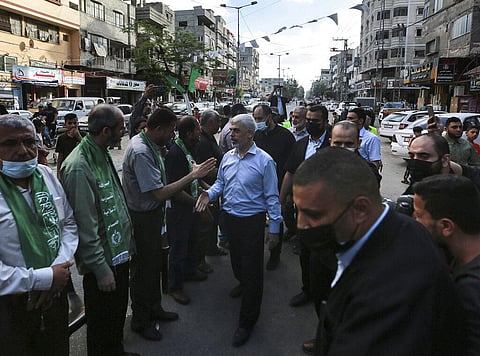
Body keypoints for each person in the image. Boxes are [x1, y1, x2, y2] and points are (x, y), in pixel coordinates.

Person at [293, 147, 458, 355]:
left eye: (313, 214)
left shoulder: (391, 294)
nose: (302, 224)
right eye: (298, 210)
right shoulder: (398, 228)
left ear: (361, 209)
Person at [122, 108, 216, 340]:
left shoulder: (151, 145)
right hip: (143, 217)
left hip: (154, 216)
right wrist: (192, 176)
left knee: (154, 265)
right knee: (144, 270)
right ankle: (141, 319)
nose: (173, 136)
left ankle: (155, 308)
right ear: (158, 129)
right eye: (171, 131)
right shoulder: (141, 150)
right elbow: (160, 193)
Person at [195, 114, 282, 347]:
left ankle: (247, 321)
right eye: (230, 130)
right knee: (237, 262)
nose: (230, 134)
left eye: (235, 131)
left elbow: (272, 197)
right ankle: (242, 283)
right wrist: (208, 194)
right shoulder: (228, 158)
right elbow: (221, 184)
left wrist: (274, 228)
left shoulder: (264, 161)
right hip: (230, 219)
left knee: (253, 272)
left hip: (252, 222)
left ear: (250, 134)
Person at [60, 104, 139, 356]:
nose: (124, 131)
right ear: (106, 131)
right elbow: (85, 226)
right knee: (101, 324)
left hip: (119, 253)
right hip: (103, 263)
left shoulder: (100, 151)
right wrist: (101, 269)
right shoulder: (79, 166)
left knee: (115, 315)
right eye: (120, 128)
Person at [0, 114, 78, 355]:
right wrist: (43, 278)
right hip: (11, 304)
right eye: (10, 144)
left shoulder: (45, 175)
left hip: (56, 292)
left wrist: (56, 272)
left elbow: (68, 225)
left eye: (29, 142)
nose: (23, 151)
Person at [413, 175, 480, 355]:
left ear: (446, 226)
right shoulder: (457, 260)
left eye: (419, 215)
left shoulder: (470, 290)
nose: (413, 221)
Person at [280, 104, 331, 309]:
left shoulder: (333, 143)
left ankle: (326, 295)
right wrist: (282, 197)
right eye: (307, 120)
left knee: (325, 256)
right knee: (305, 252)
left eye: (315, 121)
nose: (310, 124)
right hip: (303, 209)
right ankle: (307, 290)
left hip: (328, 212)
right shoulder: (301, 145)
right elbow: (290, 173)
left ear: (325, 122)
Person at [166, 116, 213, 305]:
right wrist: (197, 203)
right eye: (197, 130)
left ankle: (190, 271)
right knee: (178, 248)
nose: (200, 132)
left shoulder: (189, 149)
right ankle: (175, 287)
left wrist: (207, 191)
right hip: (179, 211)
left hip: (191, 207)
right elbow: (176, 191)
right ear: (188, 133)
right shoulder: (175, 153)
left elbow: (194, 177)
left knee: (192, 241)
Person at [253, 103, 295, 270]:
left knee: (276, 221)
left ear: (269, 117)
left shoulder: (286, 136)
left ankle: (275, 255)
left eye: (260, 118)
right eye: (255, 119)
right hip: (257, 188)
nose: (257, 122)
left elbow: (291, 168)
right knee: (256, 223)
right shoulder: (256, 135)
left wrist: (288, 193)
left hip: (278, 188)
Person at [193, 109, 226, 267]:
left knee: (213, 221)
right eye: (218, 122)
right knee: (206, 224)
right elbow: (199, 167)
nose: (220, 125)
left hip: (214, 185)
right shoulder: (201, 141)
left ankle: (211, 248)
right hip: (205, 187)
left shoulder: (209, 138)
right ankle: (201, 258)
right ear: (210, 123)